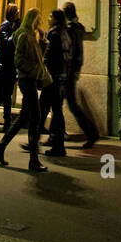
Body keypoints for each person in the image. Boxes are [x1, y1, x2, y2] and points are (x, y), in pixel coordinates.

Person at [0, 8, 50, 172]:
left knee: (24, 116)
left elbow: (38, 57)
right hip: (27, 80)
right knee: (35, 118)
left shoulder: (33, 35)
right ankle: (33, 160)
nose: (40, 22)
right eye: (38, 19)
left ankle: (1, 146)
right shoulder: (25, 35)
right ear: (33, 19)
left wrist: (43, 43)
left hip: (30, 78)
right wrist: (30, 71)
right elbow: (19, 59)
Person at [62, 1, 99, 147]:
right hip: (72, 70)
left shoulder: (71, 29)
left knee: (70, 104)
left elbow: (71, 52)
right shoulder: (78, 28)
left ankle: (91, 133)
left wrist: (69, 71)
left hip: (67, 71)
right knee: (64, 103)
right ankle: (55, 134)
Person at [40, 9, 72, 157]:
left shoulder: (54, 34)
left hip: (52, 77)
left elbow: (49, 55)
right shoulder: (64, 33)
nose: (48, 18)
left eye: (50, 16)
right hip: (61, 76)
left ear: (56, 19)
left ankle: (37, 140)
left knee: (43, 109)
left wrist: (42, 71)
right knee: (55, 110)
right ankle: (56, 141)